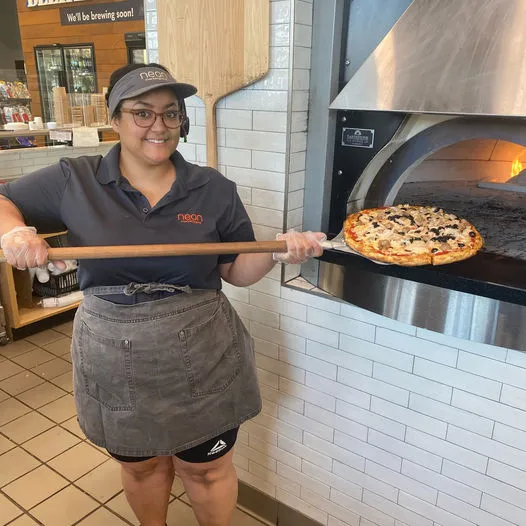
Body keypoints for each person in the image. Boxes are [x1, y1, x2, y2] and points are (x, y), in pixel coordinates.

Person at [0, 63, 325, 526]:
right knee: (143, 465)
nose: (159, 126)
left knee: (207, 468)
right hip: (113, 351)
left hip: (202, 347)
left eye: (171, 114)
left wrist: (278, 251)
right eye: (142, 113)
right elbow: (3, 200)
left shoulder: (212, 187)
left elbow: (235, 270)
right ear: (115, 118)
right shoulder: (76, 178)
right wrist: (16, 234)